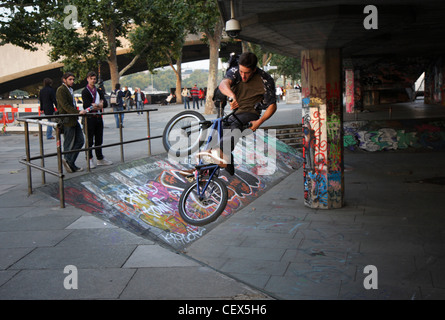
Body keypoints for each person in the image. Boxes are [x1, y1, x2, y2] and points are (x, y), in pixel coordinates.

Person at [189, 52, 277, 176]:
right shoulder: (235, 71)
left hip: (251, 113)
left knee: (235, 127)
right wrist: (231, 96)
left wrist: (259, 122)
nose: (243, 76)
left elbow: (272, 106)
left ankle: (221, 154)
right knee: (218, 131)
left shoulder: (265, 79)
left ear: (254, 69)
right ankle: (201, 171)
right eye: (241, 72)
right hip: (234, 113)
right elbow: (223, 84)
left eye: (246, 73)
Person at [56, 72, 90, 173]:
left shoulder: (70, 89)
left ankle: (69, 161)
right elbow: (65, 105)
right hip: (67, 120)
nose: (72, 81)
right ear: (64, 80)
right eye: (70, 79)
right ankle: (69, 162)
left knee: (80, 140)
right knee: (69, 143)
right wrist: (78, 112)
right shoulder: (61, 90)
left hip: (73, 119)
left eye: (73, 79)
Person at [81, 71, 113, 169]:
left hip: (98, 117)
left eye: (94, 79)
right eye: (91, 79)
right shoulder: (85, 91)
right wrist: (98, 105)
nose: (93, 81)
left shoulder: (98, 91)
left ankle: (100, 158)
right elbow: (86, 105)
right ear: (88, 79)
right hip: (89, 118)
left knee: (99, 139)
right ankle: (89, 159)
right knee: (89, 140)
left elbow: (106, 104)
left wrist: (95, 105)